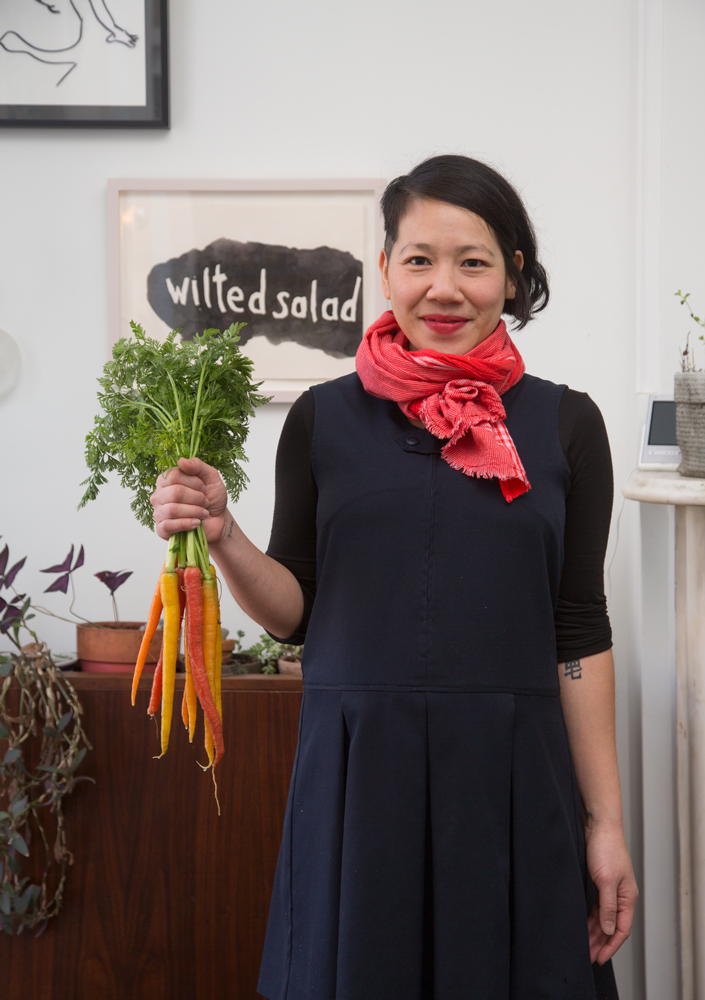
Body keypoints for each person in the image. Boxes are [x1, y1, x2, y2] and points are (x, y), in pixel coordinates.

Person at [151, 155, 638, 1000]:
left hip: (511, 780)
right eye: (418, 259)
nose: (442, 287)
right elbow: (290, 613)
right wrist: (223, 536)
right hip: (355, 780)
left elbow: (578, 634)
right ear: (384, 269)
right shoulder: (319, 419)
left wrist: (606, 827)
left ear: (513, 277)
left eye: (473, 261)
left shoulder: (566, 423)